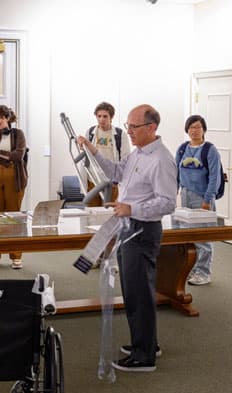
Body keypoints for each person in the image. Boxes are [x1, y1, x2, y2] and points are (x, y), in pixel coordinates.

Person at [77, 104, 177, 372]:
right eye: (128, 125)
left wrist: (132, 208)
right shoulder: (138, 155)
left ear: (151, 128)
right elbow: (115, 173)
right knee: (134, 291)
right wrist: (92, 149)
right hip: (128, 227)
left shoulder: (161, 160)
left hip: (142, 229)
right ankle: (146, 343)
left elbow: (167, 203)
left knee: (139, 292)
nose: (128, 131)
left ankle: (144, 357)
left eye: (134, 127)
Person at [176, 115, 222, 286]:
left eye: (198, 127)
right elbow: (176, 174)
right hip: (185, 195)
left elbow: (214, 177)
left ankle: (204, 272)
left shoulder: (210, 150)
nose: (194, 131)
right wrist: (174, 193)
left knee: (202, 237)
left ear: (204, 129)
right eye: (191, 127)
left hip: (202, 197)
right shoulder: (182, 149)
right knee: (187, 235)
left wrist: (207, 200)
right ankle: (192, 269)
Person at [0, 105, 28, 269]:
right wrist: (7, 156)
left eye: (0, 117)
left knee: (13, 215)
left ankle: (16, 256)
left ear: (7, 118)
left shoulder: (18, 134)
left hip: (14, 178)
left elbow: (19, 155)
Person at [86, 102, 130, 206]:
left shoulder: (120, 134)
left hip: (111, 182)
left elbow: (126, 158)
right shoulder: (90, 132)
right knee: (92, 214)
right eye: (99, 116)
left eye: (105, 116)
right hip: (93, 180)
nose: (101, 119)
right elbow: (85, 155)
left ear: (111, 117)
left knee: (109, 214)